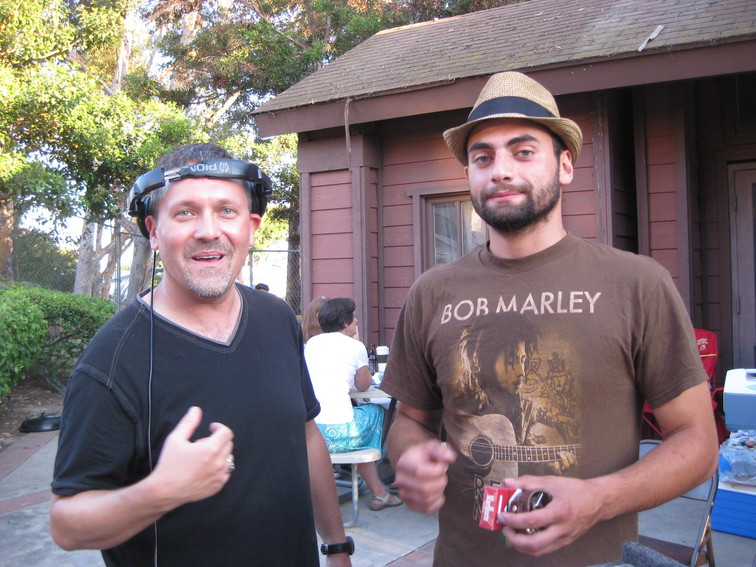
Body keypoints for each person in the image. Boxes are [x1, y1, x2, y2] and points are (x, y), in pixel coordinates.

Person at [379, 72, 718, 567]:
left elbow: (698, 443)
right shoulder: (431, 292)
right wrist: (410, 454)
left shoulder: (637, 283)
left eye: (523, 152)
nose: (500, 171)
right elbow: (410, 421)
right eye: (482, 157)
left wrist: (599, 498)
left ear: (565, 166)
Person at [50, 143, 354, 566]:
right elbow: (66, 525)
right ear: (153, 231)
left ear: (251, 227)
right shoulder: (111, 362)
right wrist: (160, 491)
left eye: (226, 211)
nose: (208, 230)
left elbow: (305, 435)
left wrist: (337, 547)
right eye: (185, 212)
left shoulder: (277, 317)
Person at [305, 298, 402, 511]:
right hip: (341, 435)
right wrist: (356, 342)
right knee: (375, 412)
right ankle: (381, 486)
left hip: (311, 435)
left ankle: (379, 492)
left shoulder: (311, 344)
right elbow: (364, 385)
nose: (357, 321)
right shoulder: (355, 347)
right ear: (345, 323)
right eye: (354, 317)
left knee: (357, 418)